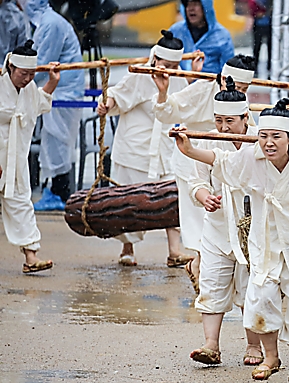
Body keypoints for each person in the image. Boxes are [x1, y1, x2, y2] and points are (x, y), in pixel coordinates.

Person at [173, 98, 289, 383]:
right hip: (265, 246)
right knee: (258, 302)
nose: (269, 143)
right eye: (264, 136)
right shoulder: (250, 158)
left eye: (276, 137)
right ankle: (271, 357)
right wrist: (190, 149)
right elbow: (221, 160)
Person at [153, 54, 256, 285]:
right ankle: (202, 272)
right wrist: (162, 93)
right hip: (193, 159)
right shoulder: (202, 90)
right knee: (201, 222)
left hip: (230, 171)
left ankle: (204, 271)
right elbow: (167, 112)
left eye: (243, 88)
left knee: (226, 224)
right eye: (234, 86)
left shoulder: (242, 105)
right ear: (222, 78)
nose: (237, 91)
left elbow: (252, 134)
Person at [97, 30, 194, 268]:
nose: (168, 70)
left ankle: (174, 250)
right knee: (130, 200)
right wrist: (106, 104)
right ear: (155, 60)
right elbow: (117, 95)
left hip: (166, 149)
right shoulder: (139, 74)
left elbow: (186, 104)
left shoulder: (180, 77)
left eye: (173, 65)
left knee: (173, 196)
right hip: (135, 148)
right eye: (165, 64)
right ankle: (127, 248)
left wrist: (194, 75)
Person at [185, 77, 264, 366]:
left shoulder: (261, 138)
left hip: (253, 224)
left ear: (245, 117)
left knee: (252, 287)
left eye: (230, 121)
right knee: (212, 282)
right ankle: (211, 344)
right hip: (218, 225)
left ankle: (254, 346)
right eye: (219, 120)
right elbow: (195, 180)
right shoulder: (206, 139)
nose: (223, 127)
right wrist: (204, 196)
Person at [0, 40, 59, 273]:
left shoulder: (30, 89)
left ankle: (31, 257)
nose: (26, 79)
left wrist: (52, 82)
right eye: (23, 74)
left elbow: (40, 105)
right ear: (11, 68)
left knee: (22, 204)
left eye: (31, 74)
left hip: (16, 160)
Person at [24, 0, 84, 210]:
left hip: (63, 93)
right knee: (52, 142)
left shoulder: (51, 24)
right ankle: (56, 190)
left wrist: (18, 85)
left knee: (58, 142)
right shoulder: (43, 22)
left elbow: (42, 63)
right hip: (57, 91)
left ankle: (60, 192)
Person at [170, 0, 234, 74]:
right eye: (187, 4)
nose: (191, 8)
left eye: (195, 4)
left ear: (206, 7)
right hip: (179, 83)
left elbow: (228, 72)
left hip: (210, 84)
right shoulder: (175, 31)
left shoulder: (222, 36)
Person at [249, 0, 271, 76]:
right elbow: (252, 11)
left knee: (270, 47)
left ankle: (269, 66)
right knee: (257, 47)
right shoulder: (255, 2)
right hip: (259, 26)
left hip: (268, 26)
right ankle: (255, 66)